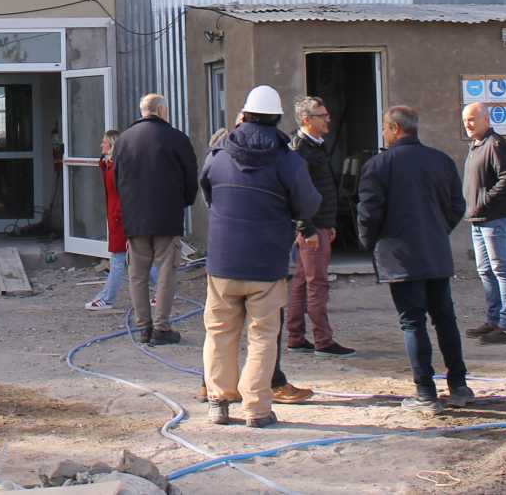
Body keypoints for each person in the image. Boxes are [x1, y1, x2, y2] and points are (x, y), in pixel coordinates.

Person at [199, 85, 320, 427]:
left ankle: (218, 403)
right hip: (267, 263)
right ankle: (257, 409)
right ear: (277, 118)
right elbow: (308, 204)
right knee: (263, 336)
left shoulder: (219, 153)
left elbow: (206, 189)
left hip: (222, 261)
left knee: (220, 331)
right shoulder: (287, 160)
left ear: (245, 114)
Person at [357, 105, 474, 414]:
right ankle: (459, 385)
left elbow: (369, 213)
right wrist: (438, 230)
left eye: (385, 127)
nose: (383, 133)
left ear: (395, 129)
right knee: (444, 318)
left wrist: (369, 243)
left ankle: (425, 391)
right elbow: (457, 204)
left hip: (400, 257)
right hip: (434, 251)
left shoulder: (379, 166)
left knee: (412, 322)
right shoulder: (441, 161)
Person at [111, 93, 200, 345]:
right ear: (161, 110)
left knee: (137, 275)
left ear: (143, 111)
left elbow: (116, 179)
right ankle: (162, 327)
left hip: (134, 218)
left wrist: (129, 205)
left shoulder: (124, 140)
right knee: (165, 273)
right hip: (167, 217)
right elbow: (190, 178)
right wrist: (184, 202)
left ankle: (144, 328)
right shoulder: (177, 138)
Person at [287, 95, 354, 357]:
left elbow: (322, 187)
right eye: (322, 115)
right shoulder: (301, 150)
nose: (328, 119)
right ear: (307, 120)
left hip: (320, 224)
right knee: (317, 282)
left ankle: (295, 336)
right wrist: (309, 228)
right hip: (311, 227)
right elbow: (298, 193)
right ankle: (323, 340)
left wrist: (330, 222)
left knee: (303, 280)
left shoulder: (315, 145)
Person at [462, 102, 506, 343]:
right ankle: (493, 320)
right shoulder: (476, 145)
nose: (468, 124)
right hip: (478, 219)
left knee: (501, 270)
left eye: (472, 119)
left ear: (486, 119)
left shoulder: (495, 144)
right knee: (485, 271)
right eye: (465, 120)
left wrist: (484, 200)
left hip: (494, 219)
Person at [87, 129, 156, 310]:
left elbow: (122, 194)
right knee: (140, 257)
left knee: (118, 260)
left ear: (111, 145)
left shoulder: (116, 169)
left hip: (120, 218)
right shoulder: (112, 166)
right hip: (121, 217)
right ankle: (163, 290)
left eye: (104, 142)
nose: (101, 145)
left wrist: (118, 216)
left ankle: (108, 299)